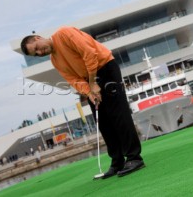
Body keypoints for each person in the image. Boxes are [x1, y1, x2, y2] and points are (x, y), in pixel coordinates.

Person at [20, 26, 145, 179]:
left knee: (119, 114)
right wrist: (89, 92)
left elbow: (89, 52)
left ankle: (134, 158)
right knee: (103, 121)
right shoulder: (54, 60)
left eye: (37, 48)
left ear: (37, 38)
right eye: (36, 54)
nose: (40, 53)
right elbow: (73, 79)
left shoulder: (64, 34)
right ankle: (117, 161)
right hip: (89, 81)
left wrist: (92, 83)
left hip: (105, 68)